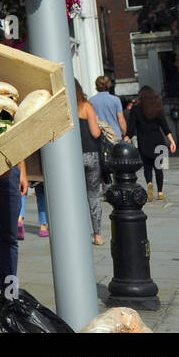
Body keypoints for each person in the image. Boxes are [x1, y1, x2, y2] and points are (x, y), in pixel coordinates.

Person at [132, 85, 177, 202]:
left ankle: (149, 184)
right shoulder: (158, 108)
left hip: (144, 142)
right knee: (159, 168)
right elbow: (165, 127)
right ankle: (160, 192)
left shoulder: (136, 109)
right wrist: (172, 141)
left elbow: (131, 128)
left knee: (147, 168)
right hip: (158, 141)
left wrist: (126, 137)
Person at [76, 80, 105, 246]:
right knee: (93, 195)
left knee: (76, 196)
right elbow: (95, 133)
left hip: (72, 157)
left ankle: (78, 232)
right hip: (91, 154)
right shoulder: (87, 106)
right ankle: (98, 235)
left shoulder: (65, 107)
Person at [89, 75, 126, 141]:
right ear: (109, 85)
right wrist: (124, 133)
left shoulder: (91, 101)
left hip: (100, 136)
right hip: (115, 135)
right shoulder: (116, 100)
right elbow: (121, 119)